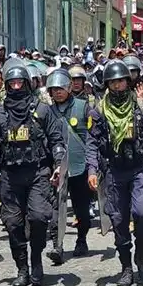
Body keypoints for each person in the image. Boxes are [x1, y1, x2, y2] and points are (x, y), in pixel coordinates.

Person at [0, 62, 66, 286]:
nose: (16, 86)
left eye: (20, 82)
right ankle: (22, 269)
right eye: (12, 83)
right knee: (13, 223)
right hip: (9, 176)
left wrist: (58, 165)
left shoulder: (42, 110)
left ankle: (36, 260)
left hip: (38, 172)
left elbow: (56, 140)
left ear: (27, 83)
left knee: (37, 218)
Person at [84, 60, 143, 286]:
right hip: (114, 171)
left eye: (121, 81)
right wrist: (92, 169)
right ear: (107, 84)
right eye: (113, 82)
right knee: (118, 220)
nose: (118, 86)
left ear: (128, 81)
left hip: (139, 169)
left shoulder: (141, 107)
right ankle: (126, 266)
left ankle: (141, 255)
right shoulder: (98, 111)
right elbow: (92, 142)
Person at [44, 69, 94, 264]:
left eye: (61, 88)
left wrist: (93, 165)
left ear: (68, 88)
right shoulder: (46, 111)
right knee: (57, 208)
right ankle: (57, 245)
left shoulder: (83, 107)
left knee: (81, 209)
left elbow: (92, 138)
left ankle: (81, 239)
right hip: (56, 169)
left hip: (79, 166)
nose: (57, 92)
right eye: (53, 89)